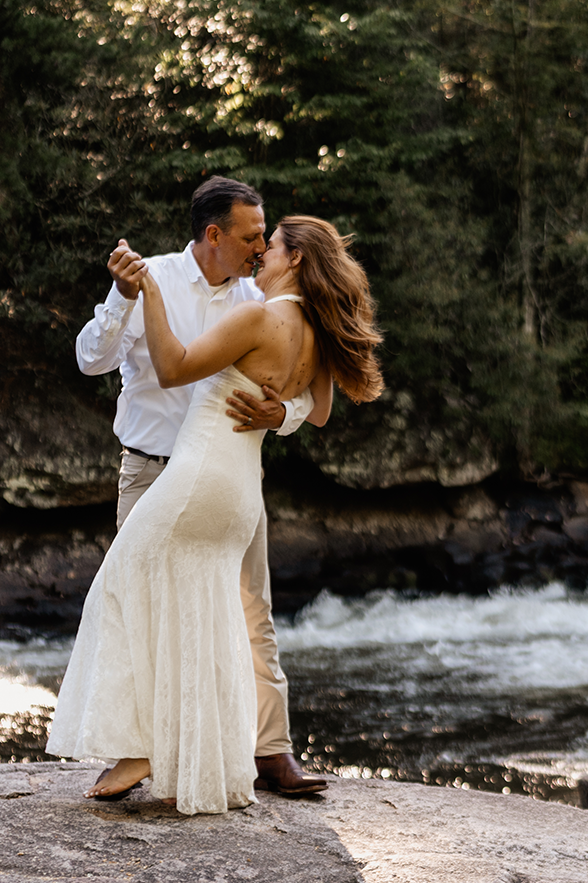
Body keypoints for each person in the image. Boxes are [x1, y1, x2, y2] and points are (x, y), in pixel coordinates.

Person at [47, 213, 385, 812]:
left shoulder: (258, 313)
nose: (262, 254)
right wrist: (282, 415)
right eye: (255, 241)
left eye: (271, 245)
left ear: (296, 259)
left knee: (120, 586)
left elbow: (174, 365)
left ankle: (147, 744)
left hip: (201, 477)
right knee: (206, 613)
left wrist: (147, 289)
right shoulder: (318, 327)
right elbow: (323, 411)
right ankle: (199, 751)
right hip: (236, 491)